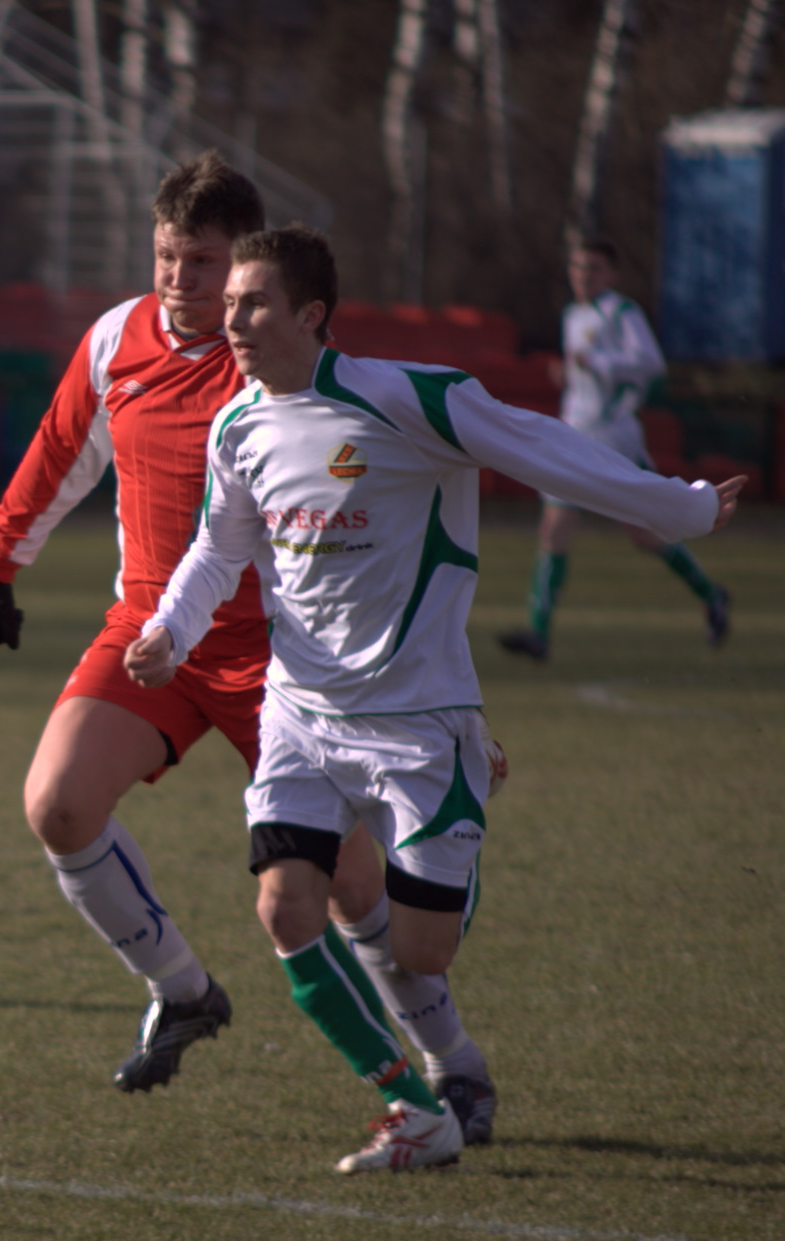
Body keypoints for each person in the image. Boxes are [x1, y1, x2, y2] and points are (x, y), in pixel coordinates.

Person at [124, 226, 746, 1173]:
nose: (231, 318)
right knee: (285, 910)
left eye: (253, 302)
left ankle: (466, 797)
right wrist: (171, 629)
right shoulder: (237, 425)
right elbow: (218, 547)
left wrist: (683, 506)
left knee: (423, 950)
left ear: (310, 314)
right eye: (231, 303)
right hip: (300, 713)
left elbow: (545, 450)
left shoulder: (410, 399)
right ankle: (413, 1107)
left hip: (419, 721)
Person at [0, 155, 495, 1143]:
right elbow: (61, 448)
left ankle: (452, 1064)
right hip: (152, 636)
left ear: (246, 263)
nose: (181, 279)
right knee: (58, 803)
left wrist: (441, 696)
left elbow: (385, 520)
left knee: (352, 887)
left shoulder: (283, 364)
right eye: (168, 255)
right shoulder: (115, 338)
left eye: (204, 262)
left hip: (286, 659)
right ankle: (182, 990)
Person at [498, 238, 731, 662]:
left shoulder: (622, 312)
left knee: (644, 533)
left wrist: (598, 364)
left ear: (611, 274)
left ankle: (711, 594)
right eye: (578, 266)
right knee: (555, 526)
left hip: (613, 436)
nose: (583, 275)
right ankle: (538, 633)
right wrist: (568, 374)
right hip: (575, 434)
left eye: (593, 268)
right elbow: (585, 372)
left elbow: (651, 364)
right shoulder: (573, 314)